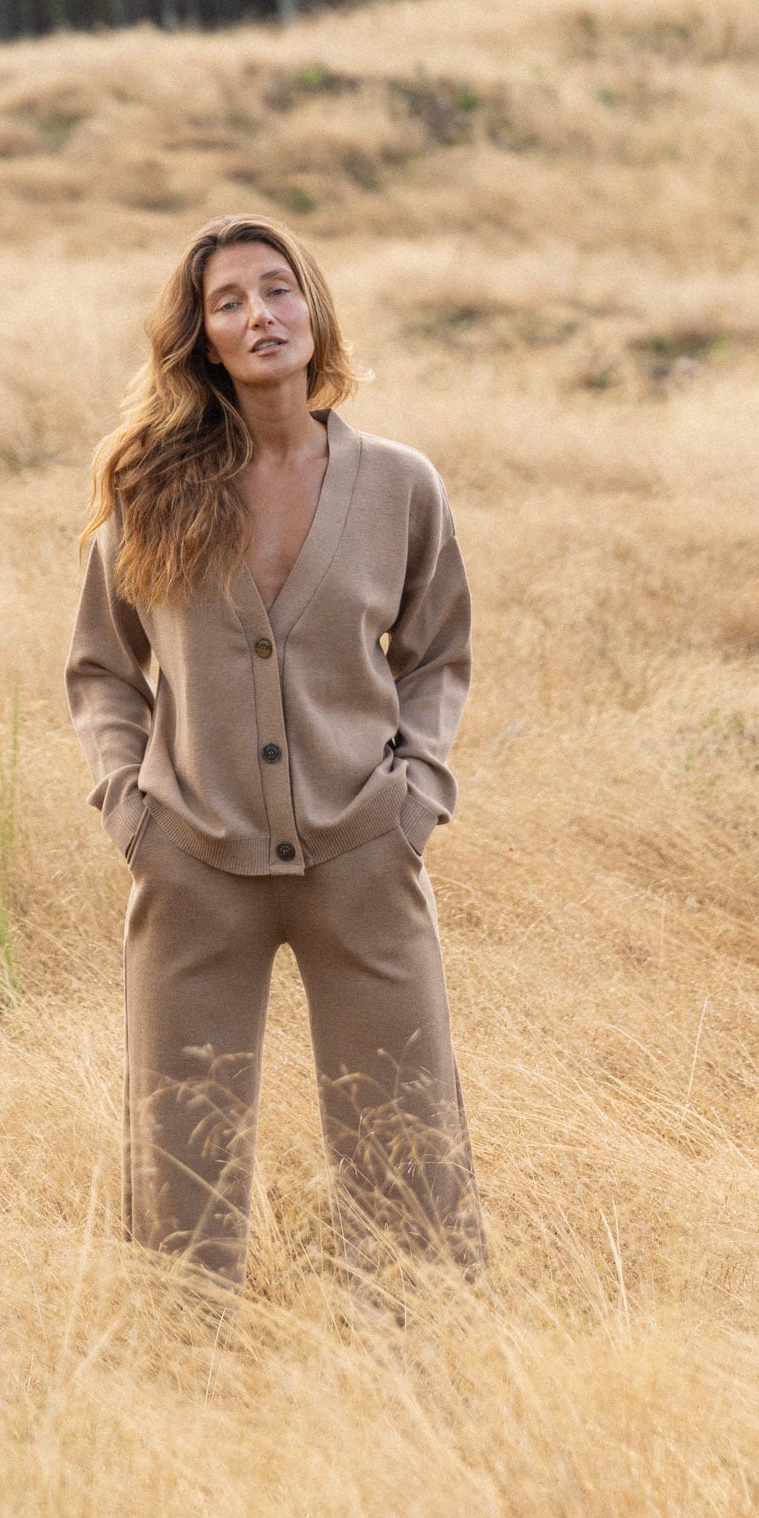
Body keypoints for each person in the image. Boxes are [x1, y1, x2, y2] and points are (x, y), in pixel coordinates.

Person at [66, 214, 484, 1284]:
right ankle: (187, 1359)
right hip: (192, 862)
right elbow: (103, 670)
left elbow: (436, 654)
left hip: (364, 855)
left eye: (277, 289)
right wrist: (133, 815)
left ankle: (419, 1355)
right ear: (203, 340)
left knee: (408, 1145)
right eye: (229, 302)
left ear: (312, 308)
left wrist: (414, 800)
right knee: (180, 1160)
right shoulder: (149, 490)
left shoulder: (399, 485)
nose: (260, 315)